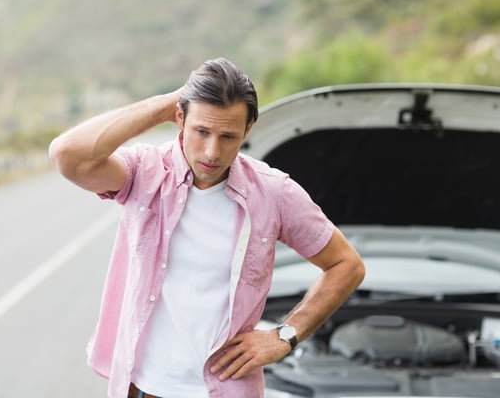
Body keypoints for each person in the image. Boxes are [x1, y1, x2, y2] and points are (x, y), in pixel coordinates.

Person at [49, 58, 365, 398]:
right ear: (180, 119)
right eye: (202, 132)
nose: (212, 152)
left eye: (228, 136)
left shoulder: (274, 193)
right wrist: (166, 105)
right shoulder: (146, 173)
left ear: (248, 129)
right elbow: (68, 155)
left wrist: (286, 335)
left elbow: (346, 265)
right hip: (143, 389)